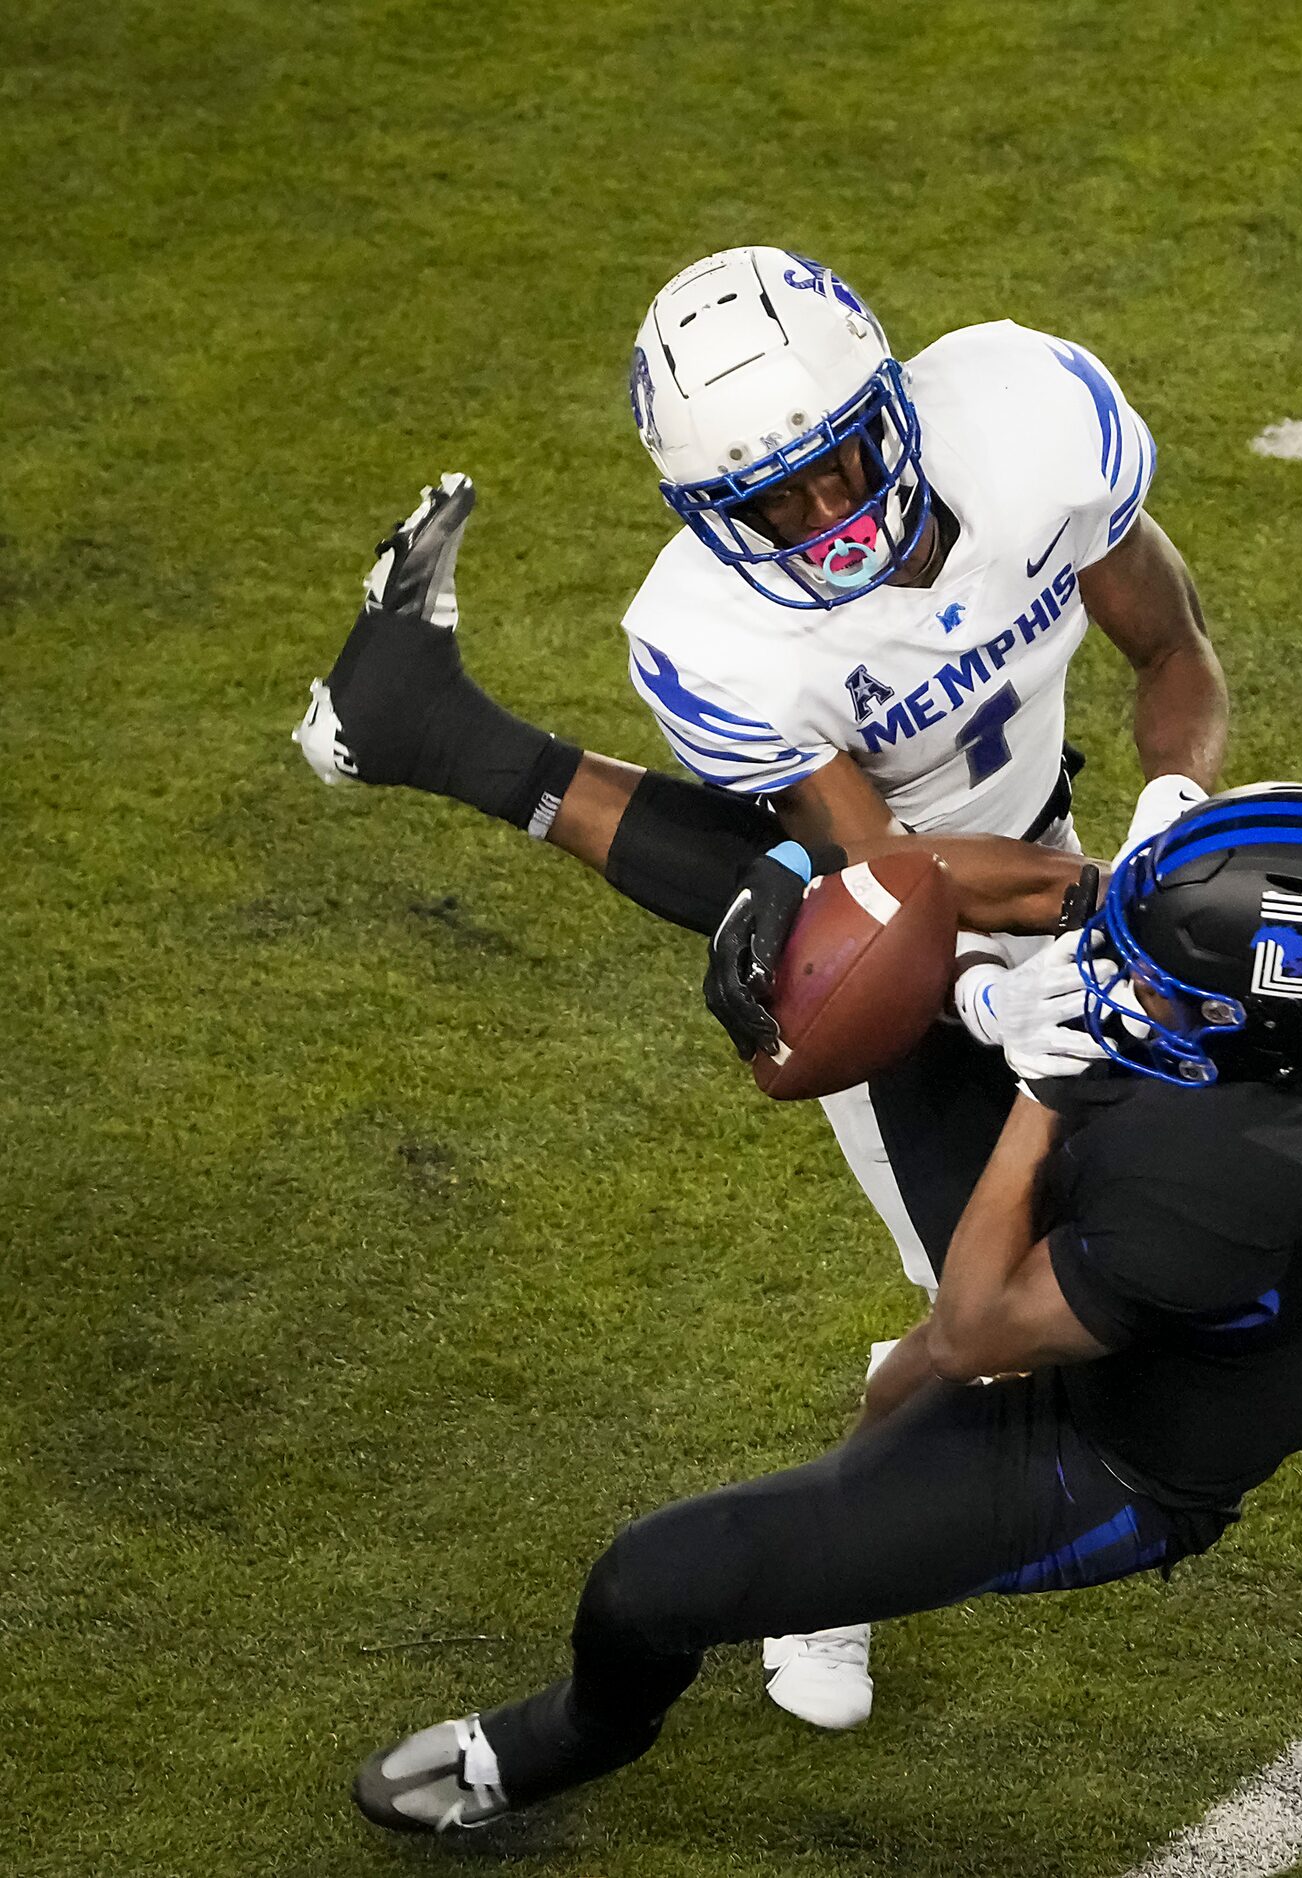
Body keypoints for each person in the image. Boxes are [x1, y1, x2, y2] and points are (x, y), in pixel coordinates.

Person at [297, 244, 1230, 1722]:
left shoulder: (1032, 416)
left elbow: (1172, 642)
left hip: (1041, 838)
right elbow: (893, 898)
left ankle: (421, 722)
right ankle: (822, 1585)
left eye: (832, 466)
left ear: (893, 402)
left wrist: (1174, 814)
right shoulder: (715, 634)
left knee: (1068, 1266)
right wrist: (1003, 988)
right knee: (998, 1317)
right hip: (902, 909)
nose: (820, 519)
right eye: (767, 503)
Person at [352, 783, 1302, 1835]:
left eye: (1158, 981)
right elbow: (1009, 885)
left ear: (1248, 1027)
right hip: (1165, 1276)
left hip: (1116, 1454)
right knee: (904, 1369)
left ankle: (578, 1735)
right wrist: (802, 865)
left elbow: (977, 1333)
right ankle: (865, 1493)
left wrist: (1039, 1087)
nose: (1120, 975)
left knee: (653, 1581)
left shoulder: (1237, 1177)